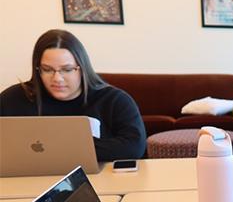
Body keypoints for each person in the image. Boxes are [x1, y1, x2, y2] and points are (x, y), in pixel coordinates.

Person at [0, 29, 146, 161]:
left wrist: (57, 148)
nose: (57, 78)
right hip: (23, 182)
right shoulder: (13, 99)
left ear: (82, 68)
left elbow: (134, 146)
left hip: (99, 181)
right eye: (47, 69)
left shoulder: (114, 100)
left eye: (67, 69)